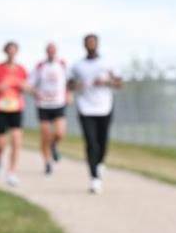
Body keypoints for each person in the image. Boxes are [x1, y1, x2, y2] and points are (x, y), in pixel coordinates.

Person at [69, 34, 123, 194]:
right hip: (85, 107)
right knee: (91, 143)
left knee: (103, 141)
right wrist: (75, 85)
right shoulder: (78, 65)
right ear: (84, 45)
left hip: (104, 106)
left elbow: (119, 83)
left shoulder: (108, 63)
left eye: (93, 42)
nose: (91, 44)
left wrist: (106, 82)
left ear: (97, 44)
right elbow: (69, 84)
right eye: (88, 42)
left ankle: (99, 164)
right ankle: (94, 179)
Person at [0, 42, 32, 186]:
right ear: (5, 52)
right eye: (9, 50)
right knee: (1, 142)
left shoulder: (21, 69)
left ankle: (12, 173)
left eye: (14, 51)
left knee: (16, 140)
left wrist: (25, 87)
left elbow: (28, 85)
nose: (11, 53)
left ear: (17, 52)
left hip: (16, 107)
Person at [32, 42, 71, 175]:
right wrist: (35, 93)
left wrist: (69, 95)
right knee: (45, 135)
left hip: (58, 103)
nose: (51, 52)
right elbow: (30, 84)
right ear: (46, 51)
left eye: (54, 50)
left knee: (60, 132)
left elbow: (68, 82)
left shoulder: (62, 64)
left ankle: (54, 146)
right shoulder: (40, 66)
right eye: (49, 50)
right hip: (43, 104)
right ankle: (47, 162)